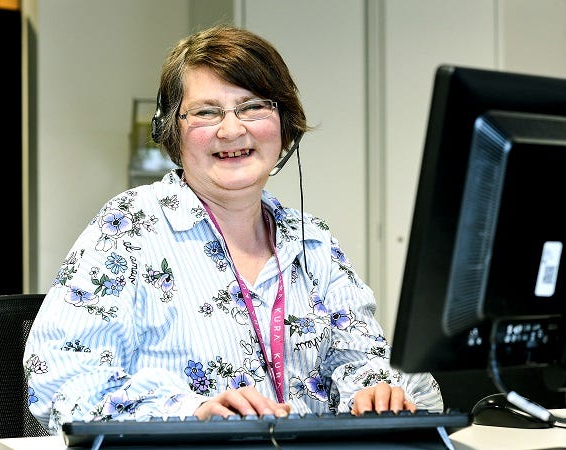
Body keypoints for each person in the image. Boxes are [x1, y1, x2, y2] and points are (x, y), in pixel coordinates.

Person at [23, 24, 444, 434]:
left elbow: (359, 358)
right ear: (171, 131)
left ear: (284, 123)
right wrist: (193, 412)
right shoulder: (130, 228)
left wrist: (373, 391)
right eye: (206, 112)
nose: (231, 129)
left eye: (252, 107)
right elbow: (61, 373)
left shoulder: (312, 241)